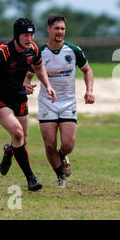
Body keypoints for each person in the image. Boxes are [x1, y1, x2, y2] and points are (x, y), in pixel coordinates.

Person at [0, 18, 57, 191]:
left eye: (31, 34)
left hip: (18, 96)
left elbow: (39, 68)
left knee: (22, 140)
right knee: (18, 133)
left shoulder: (33, 49)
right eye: (25, 35)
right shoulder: (1, 53)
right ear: (16, 36)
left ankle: (9, 151)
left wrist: (48, 85)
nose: (29, 38)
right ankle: (31, 179)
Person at [24, 14, 95, 188]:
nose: (60, 32)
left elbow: (87, 71)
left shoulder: (73, 50)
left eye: (62, 29)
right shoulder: (39, 52)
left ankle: (62, 155)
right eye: (57, 28)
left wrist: (89, 91)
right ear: (49, 29)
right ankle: (60, 177)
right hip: (47, 102)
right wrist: (26, 86)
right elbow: (27, 76)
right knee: (49, 144)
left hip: (68, 102)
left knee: (68, 144)